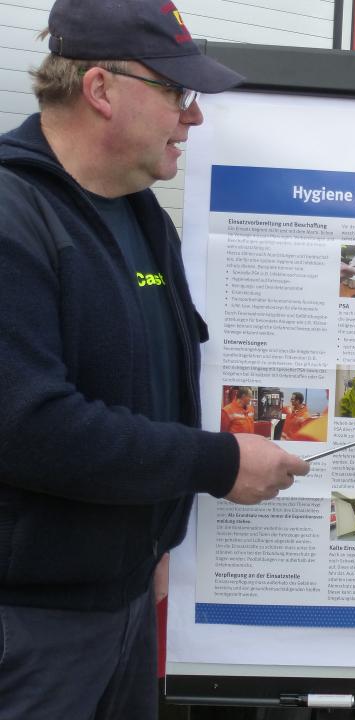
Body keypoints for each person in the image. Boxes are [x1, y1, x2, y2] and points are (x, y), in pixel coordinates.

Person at [0, 1, 311, 718]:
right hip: (29, 628)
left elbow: (156, 388)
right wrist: (218, 463)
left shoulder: (143, 219)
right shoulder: (16, 218)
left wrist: (155, 537)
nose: (192, 116)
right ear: (101, 89)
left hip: (128, 603)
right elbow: (31, 427)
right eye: (175, 91)